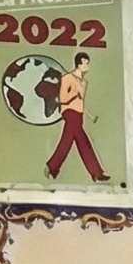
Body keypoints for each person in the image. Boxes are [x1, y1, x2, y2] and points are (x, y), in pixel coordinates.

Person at [45, 51, 107, 182]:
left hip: (79, 114)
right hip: (69, 112)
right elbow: (62, 98)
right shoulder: (67, 78)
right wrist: (74, 94)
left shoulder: (84, 82)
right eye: (86, 63)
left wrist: (88, 113)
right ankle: (96, 173)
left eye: (88, 64)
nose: (88, 66)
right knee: (83, 142)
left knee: (70, 141)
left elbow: (80, 101)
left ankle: (52, 167)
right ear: (79, 64)